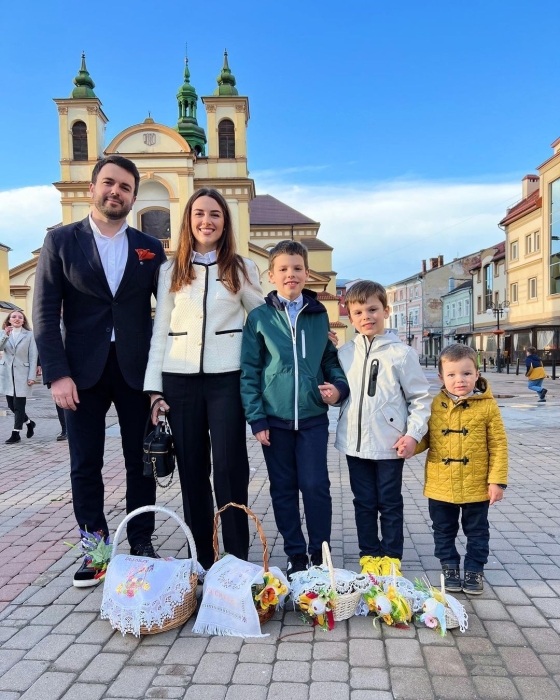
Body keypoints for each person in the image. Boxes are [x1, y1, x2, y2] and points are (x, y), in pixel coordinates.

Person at [33, 155, 166, 587]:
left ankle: (141, 540)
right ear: (92, 188)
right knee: (84, 464)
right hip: (79, 374)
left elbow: (163, 316)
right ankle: (96, 550)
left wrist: (158, 382)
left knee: (141, 462)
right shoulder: (60, 241)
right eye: (109, 183)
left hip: (135, 371)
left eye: (125, 187)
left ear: (132, 196)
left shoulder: (150, 246)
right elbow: (45, 310)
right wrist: (56, 373)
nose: (116, 192)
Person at [143, 188, 264, 570]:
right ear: (188, 220)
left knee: (230, 467)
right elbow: (160, 327)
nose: (206, 221)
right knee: (192, 470)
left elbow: (260, 322)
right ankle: (204, 558)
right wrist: (154, 389)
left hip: (227, 378)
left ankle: (239, 558)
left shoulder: (242, 268)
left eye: (215, 214)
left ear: (225, 222)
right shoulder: (169, 269)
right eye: (199, 213)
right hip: (178, 380)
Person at [240, 240, 349, 579]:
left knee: (316, 485)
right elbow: (249, 371)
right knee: (283, 488)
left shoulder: (318, 316)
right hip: (275, 420)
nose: (291, 274)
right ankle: (296, 554)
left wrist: (338, 389)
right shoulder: (259, 318)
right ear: (271, 276)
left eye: (298, 268)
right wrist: (256, 417)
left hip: (313, 418)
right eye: (283, 269)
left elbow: (330, 361)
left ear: (307, 274)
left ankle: (320, 552)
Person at [334, 281, 431, 577]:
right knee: (363, 502)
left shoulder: (401, 354)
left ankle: (391, 556)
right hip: (355, 444)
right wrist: (333, 396)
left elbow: (420, 397)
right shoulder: (345, 353)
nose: (367, 316)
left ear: (386, 311)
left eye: (373, 309)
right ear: (350, 317)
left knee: (389, 502)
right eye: (359, 311)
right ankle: (369, 554)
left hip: (390, 443)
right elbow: (343, 394)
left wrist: (413, 434)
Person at [416, 344, 508, 595]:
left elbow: (498, 445)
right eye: (452, 374)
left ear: (477, 374)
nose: (460, 380)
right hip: (440, 483)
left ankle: (475, 569)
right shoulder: (435, 404)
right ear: (441, 378)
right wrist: (408, 444)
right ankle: (449, 566)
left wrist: (497, 481)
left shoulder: (487, 406)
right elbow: (427, 438)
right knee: (443, 529)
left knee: (477, 531)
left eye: (466, 373)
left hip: (476, 484)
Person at [0, 310, 38, 444]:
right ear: (9, 320)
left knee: (19, 405)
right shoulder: (3, 333)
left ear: (23, 321)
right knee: (11, 405)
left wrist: (31, 376)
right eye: (14, 317)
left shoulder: (29, 335)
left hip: (22, 374)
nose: (17, 319)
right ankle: (29, 423)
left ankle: (15, 434)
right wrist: (5, 335)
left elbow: (33, 357)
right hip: (7, 374)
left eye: (20, 317)